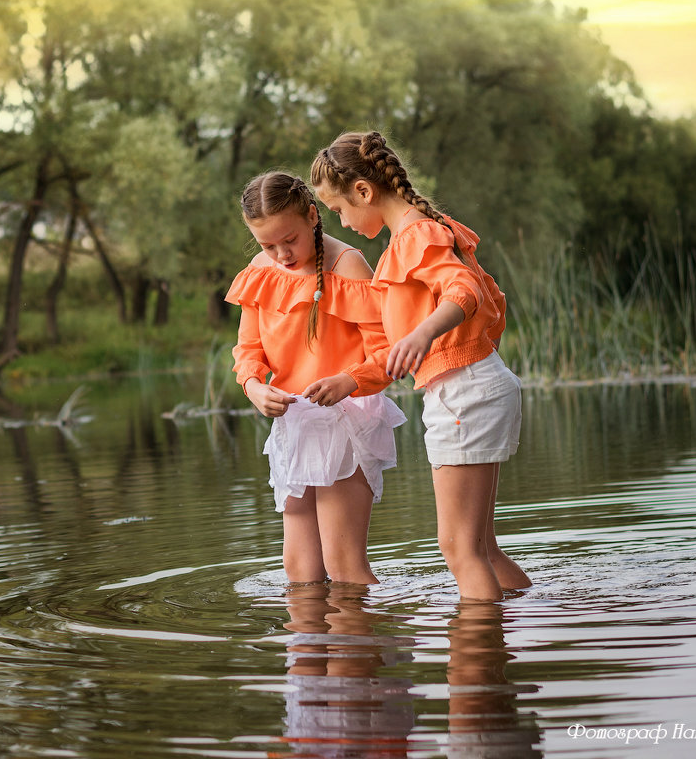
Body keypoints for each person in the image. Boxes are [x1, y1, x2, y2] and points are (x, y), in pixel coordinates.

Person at [310, 131, 531, 601]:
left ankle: (477, 668)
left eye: (339, 210)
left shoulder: (416, 236)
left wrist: (423, 332)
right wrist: (349, 380)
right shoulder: (409, 240)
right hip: (473, 387)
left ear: (364, 191)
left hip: (463, 394)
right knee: (480, 547)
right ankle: (527, 620)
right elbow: (396, 355)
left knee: (457, 548)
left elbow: (464, 292)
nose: (343, 223)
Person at [226, 171, 406, 586]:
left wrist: (348, 380)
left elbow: (385, 351)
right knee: (300, 572)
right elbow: (247, 348)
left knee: (344, 568)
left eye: (289, 240)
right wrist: (254, 386)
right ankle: (313, 646)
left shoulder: (348, 265)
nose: (281, 254)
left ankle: (362, 645)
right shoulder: (260, 271)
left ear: (312, 216)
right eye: (267, 245)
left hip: (346, 420)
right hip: (294, 423)